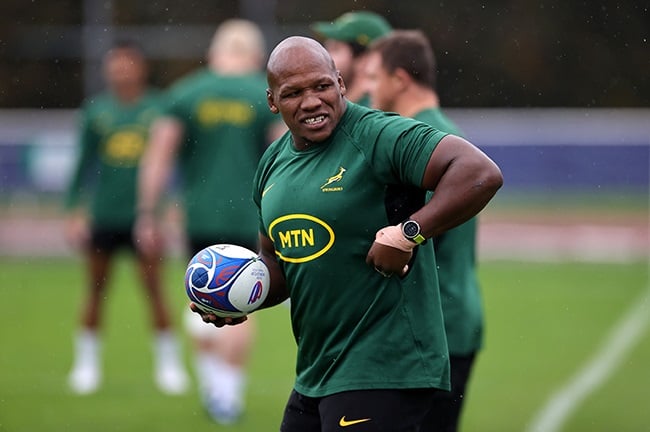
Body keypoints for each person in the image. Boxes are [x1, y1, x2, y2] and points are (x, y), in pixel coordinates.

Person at [193, 35, 503, 431]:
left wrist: (409, 232)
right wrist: (238, 297)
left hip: (386, 368)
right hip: (317, 371)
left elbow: (478, 173)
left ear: (340, 83)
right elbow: (278, 263)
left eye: (321, 86)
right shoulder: (272, 163)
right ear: (272, 102)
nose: (311, 102)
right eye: (293, 93)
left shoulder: (378, 136)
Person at [135, 19, 283, 424]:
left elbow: (158, 158)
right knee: (242, 303)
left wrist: (148, 213)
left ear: (215, 52)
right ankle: (228, 395)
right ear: (255, 55)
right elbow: (283, 159)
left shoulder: (186, 93)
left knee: (201, 297)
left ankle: (210, 385)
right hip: (253, 217)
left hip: (198, 216)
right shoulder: (263, 95)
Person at [366, 29, 485, 432]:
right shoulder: (442, 132)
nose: (366, 89)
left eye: (372, 77)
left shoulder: (423, 144)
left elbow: (417, 238)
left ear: (399, 80)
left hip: (436, 327)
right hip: (454, 315)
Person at [64, 40, 189, 396]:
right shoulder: (97, 111)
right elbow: (81, 165)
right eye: (114, 65)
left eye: (127, 64)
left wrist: (172, 204)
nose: (120, 71)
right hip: (104, 216)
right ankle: (85, 366)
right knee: (95, 290)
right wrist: (74, 210)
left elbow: (174, 161)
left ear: (140, 67)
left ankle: (169, 366)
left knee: (154, 291)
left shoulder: (159, 108)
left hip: (143, 219)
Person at [311, 10, 392, 105]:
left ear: (364, 59)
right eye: (326, 48)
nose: (325, 56)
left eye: (335, 49)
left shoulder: (375, 113)